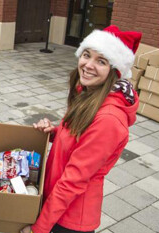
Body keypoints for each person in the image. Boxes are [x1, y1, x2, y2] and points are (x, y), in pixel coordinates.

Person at [21, 25, 142, 233]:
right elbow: (80, 138)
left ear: (114, 71)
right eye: (87, 55)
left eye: (101, 61)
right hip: (55, 203)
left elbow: (73, 181)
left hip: (69, 217)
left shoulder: (109, 120)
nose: (88, 65)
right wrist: (55, 133)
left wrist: (38, 228)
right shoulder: (90, 92)